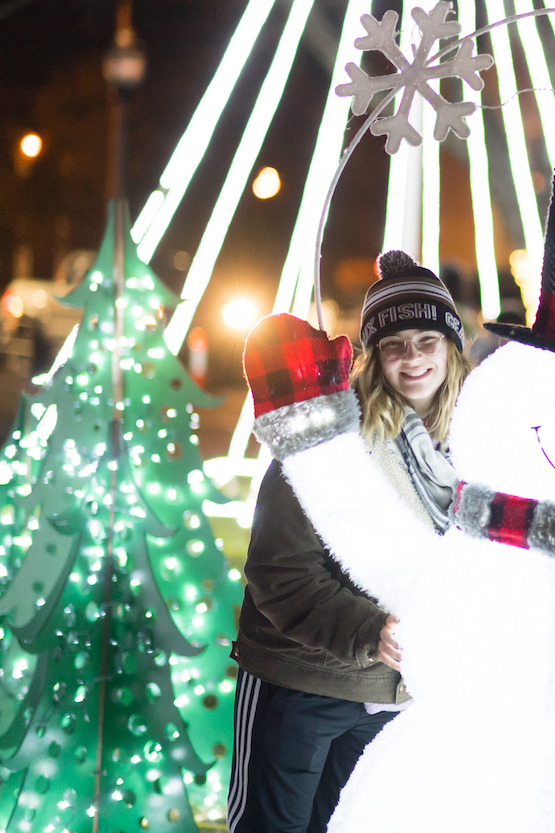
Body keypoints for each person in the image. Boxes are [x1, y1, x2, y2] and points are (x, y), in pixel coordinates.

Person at [227, 250, 469, 833]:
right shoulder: (327, 441)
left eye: (427, 340)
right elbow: (280, 573)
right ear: (373, 356)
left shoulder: (472, 445)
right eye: (394, 344)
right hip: (300, 683)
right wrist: (365, 630)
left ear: (452, 349)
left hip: (392, 697)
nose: (413, 358)